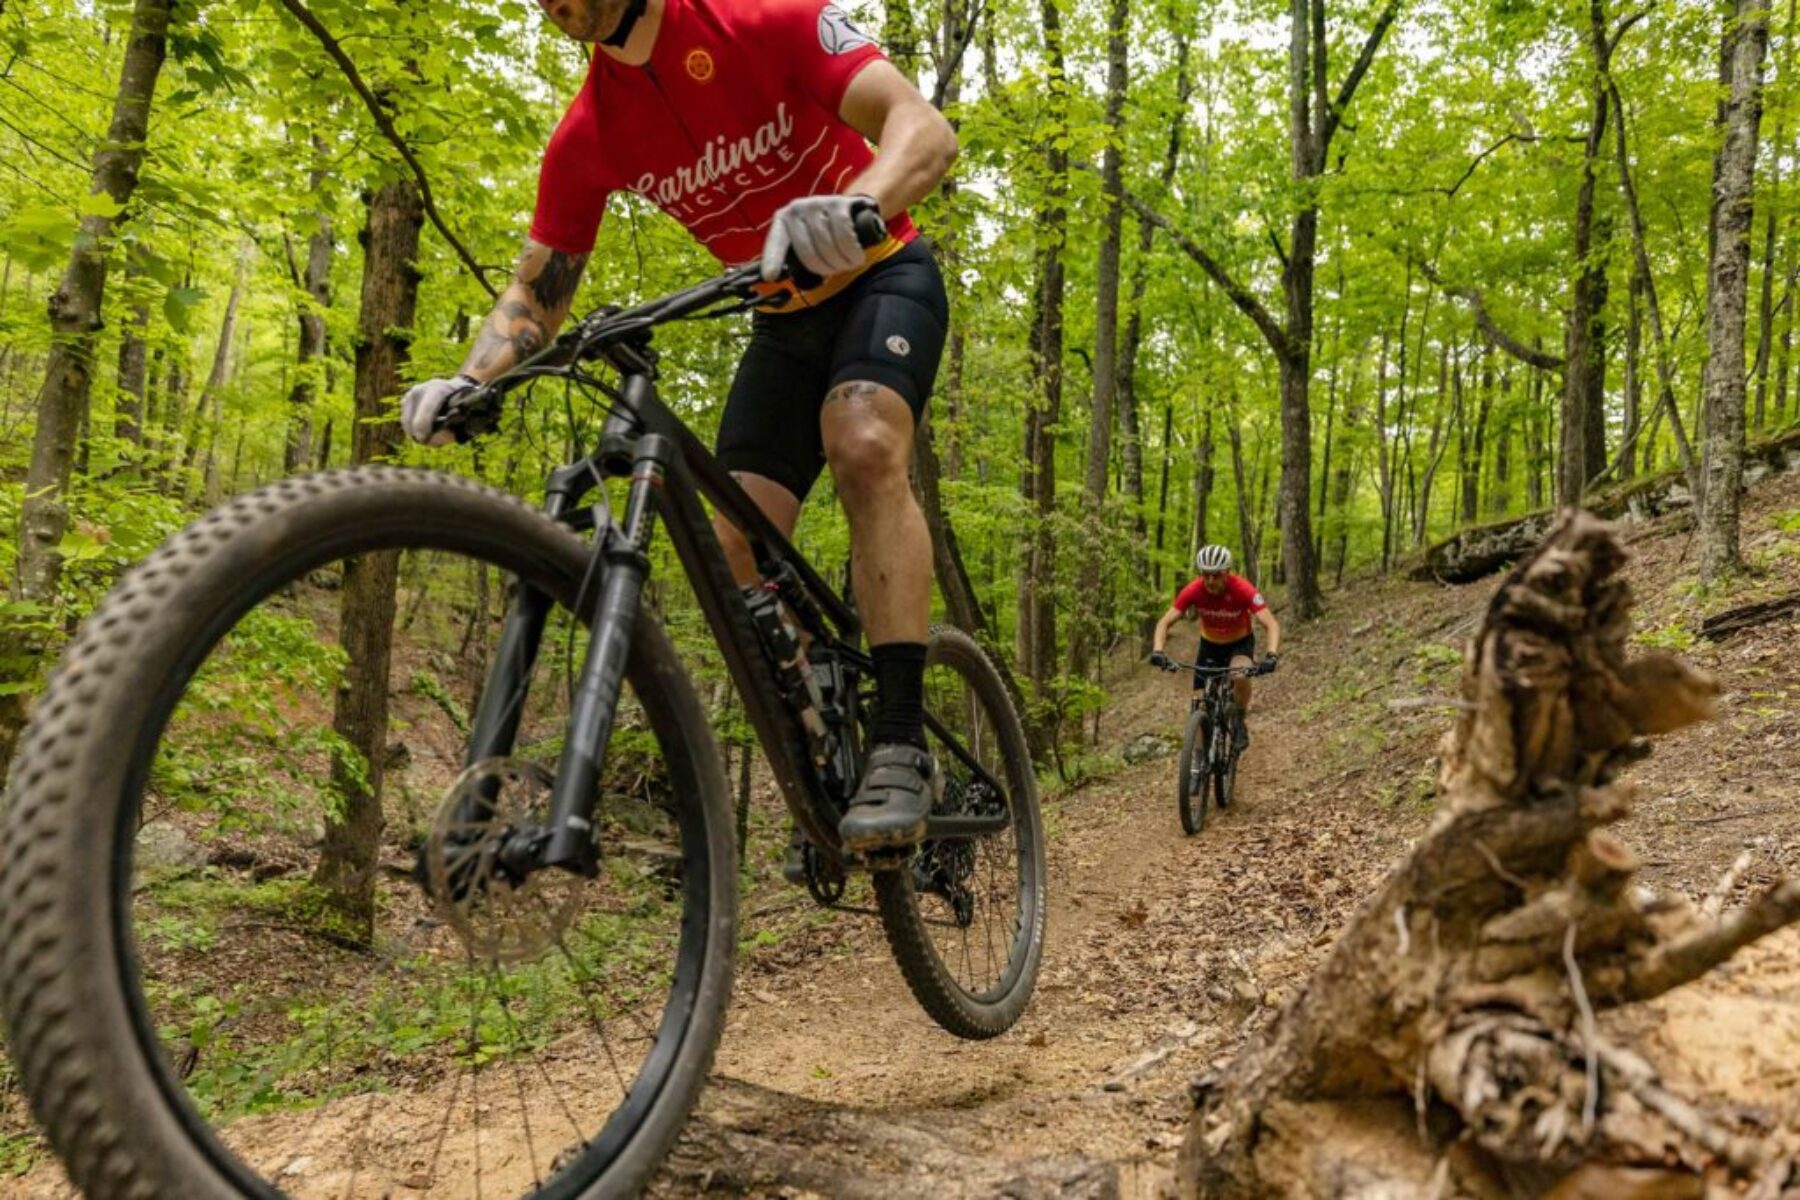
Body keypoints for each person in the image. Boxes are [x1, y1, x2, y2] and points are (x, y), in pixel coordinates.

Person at [398, 0, 958, 858]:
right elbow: (537, 290)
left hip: (883, 275)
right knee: (731, 540)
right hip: (778, 315)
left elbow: (921, 129)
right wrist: (468, 380)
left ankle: (899, 740)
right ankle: (824, 720)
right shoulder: (590, 132)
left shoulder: (769, 20)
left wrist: (859, 202)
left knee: (865, 443)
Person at [1149, 545, 1281, 750]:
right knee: (1200, 703)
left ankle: (1238, 719)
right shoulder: (1193, 590)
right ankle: (1198, 762)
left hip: (1239, 644)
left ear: (1227, 572)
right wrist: (1158, 650)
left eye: (1216, 575)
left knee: (1240, 674)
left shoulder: (1243, 589)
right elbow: (1164, 622)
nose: (1210, 581)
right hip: (1209, 646)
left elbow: (1270, 624)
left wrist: (1272, 655)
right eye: (1205, 575)